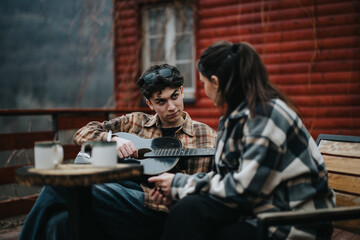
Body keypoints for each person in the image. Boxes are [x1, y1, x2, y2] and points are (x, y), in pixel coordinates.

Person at [149, 42, 335, 240]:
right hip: (258, 210)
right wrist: (179, 193)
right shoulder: (236, 118)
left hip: (292, 222)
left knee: (201, 222)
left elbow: (245, 190)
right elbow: (226, 178)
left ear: (216, 82)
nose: (203, 89)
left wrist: (179, 184)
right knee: (186, 210)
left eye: (203, 83)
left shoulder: (266, 117)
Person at [19, 63, 217, 240]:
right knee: (61, 221)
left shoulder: (207, 136)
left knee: (58, 186)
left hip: (157, 209)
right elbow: (83, 133)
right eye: (161, 101)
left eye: (175, 96)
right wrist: (112, 139)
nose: (171, 107)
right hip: (119, 194)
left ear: (182, 91)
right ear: (150, 104)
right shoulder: (135, 122)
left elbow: (213, 187)